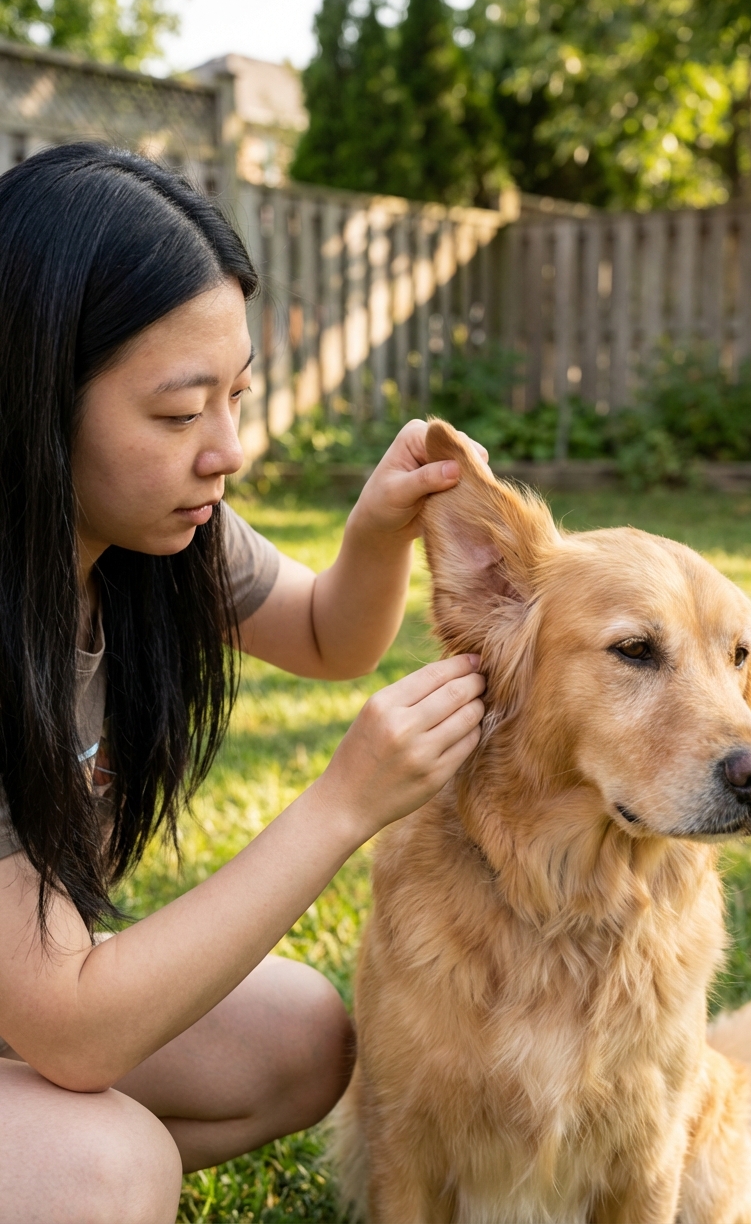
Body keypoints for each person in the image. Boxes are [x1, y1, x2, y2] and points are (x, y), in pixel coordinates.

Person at [0, 143, 487, 1224]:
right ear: (32, 399)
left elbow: (326, 635)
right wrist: (342, 803)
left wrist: (374, 532)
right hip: (41, 1012)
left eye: (236, 396)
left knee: (303, 1037)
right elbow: (75, 1031)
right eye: (179, 414)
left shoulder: (144, 538)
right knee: (107, 1168)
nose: (226, 450)